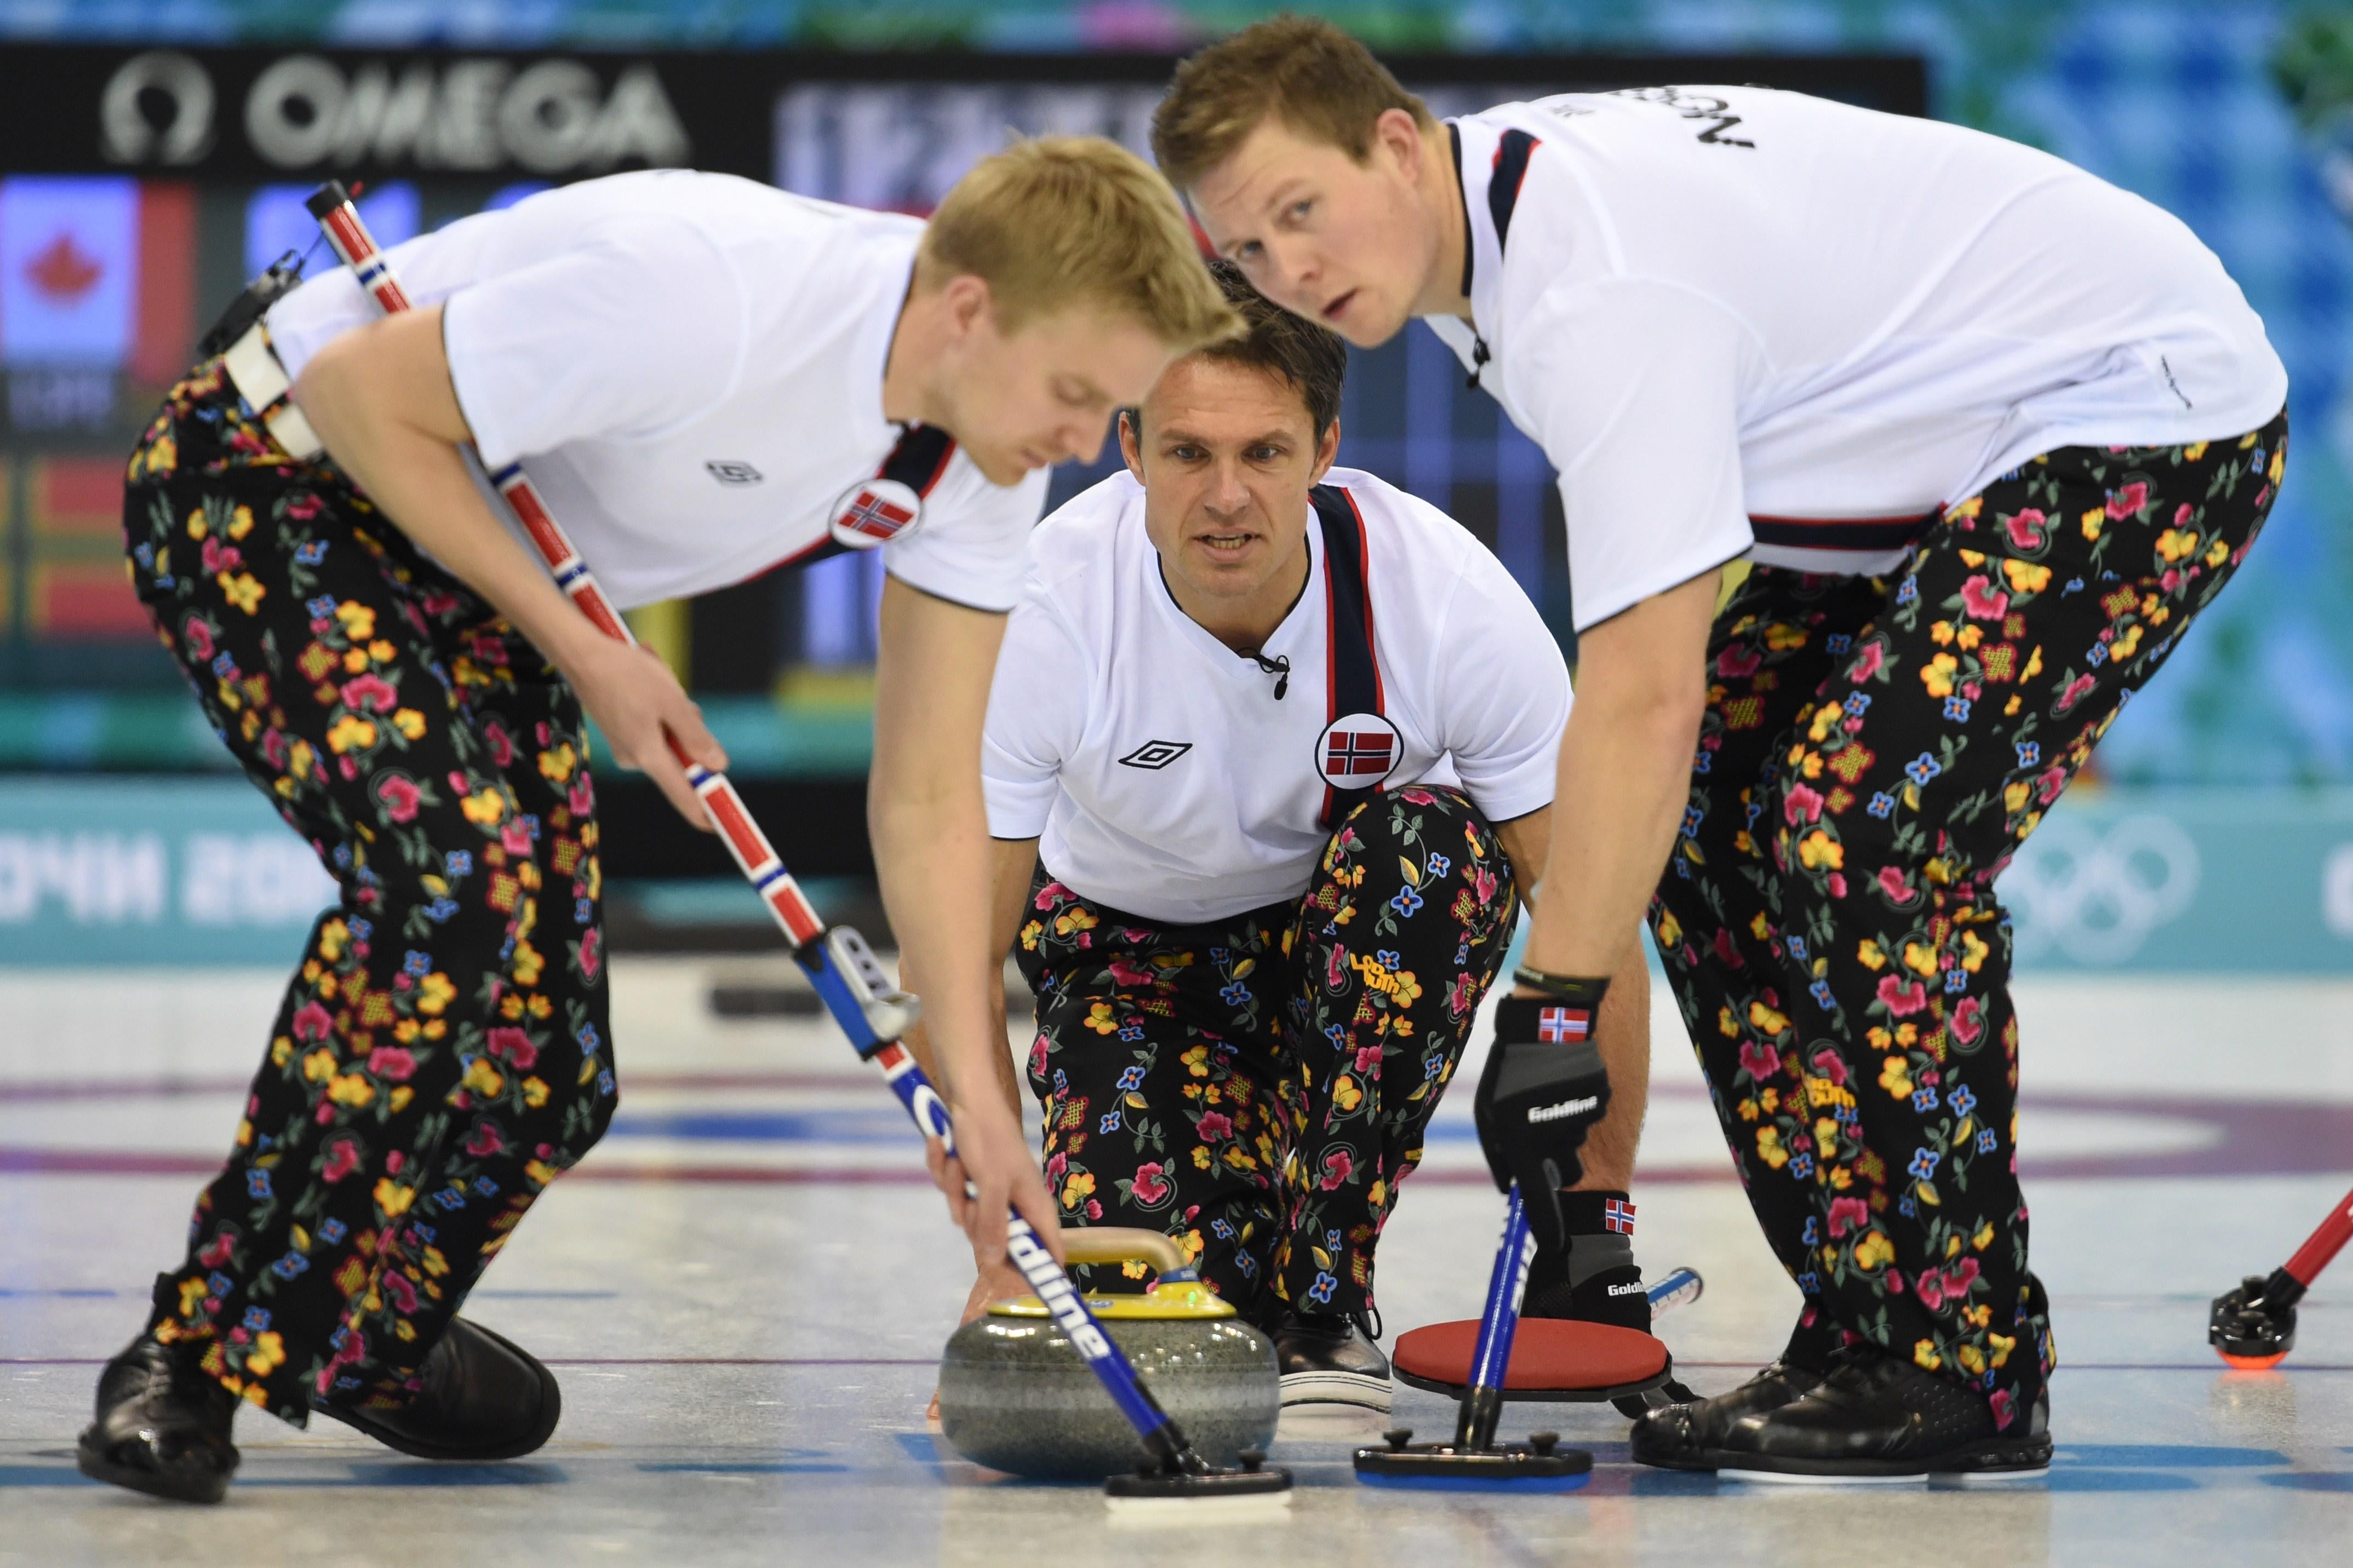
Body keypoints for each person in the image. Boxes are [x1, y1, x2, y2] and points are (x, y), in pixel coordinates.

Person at [1154, 19, 2286, 1479]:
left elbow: (1641, 693)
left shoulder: (1593, 286)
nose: (1288, 272)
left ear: (1392, 142)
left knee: (1859, 836)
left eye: (1299, 212)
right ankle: (1869, 1315)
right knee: (1705, 826)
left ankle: (1960, 1362)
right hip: (1940, 443)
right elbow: (1657, 742)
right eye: (1246, 251)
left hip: (2138, 414)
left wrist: (1554, 1010)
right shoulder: (1476, 246)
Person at [85, 139, 1239, 1504]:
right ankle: (195, 1357)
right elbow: (351, 394)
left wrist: (980, 1108)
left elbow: (930, 793)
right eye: (1073, 392)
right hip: (275, 479)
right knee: (450, 902)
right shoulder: (713, 290)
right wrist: (590, 653)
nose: (1079, 436)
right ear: (969, 307)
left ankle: (365, 1333)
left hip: (464, 552)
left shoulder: (981, 453)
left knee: (547, 1071)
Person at [928, 260, 1647, 1412]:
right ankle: (1246, 1262)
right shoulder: (1039, 613)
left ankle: (1324, 1302)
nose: (1225, 496)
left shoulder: (1446, 596)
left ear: (1324, 451)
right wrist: (1000, 1250)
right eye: (1187, 454)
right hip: (1130, 962)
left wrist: (1596, 1229)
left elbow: (1590, 906)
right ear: (1127, 449)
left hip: (1354, 942)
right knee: (1177, 1336)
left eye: (1263, 454)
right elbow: (957, 954)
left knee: (1432, 849)